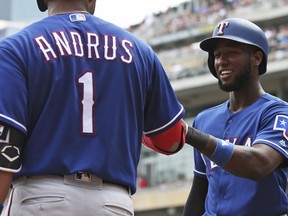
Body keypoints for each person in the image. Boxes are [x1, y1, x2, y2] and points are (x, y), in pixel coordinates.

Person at [0, 0, 187, 215]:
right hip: (113, 202)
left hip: (41, 198)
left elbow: (5, 150)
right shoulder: (140, 51)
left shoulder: (15, 47)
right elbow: (171, 140)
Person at [182, 18, 288, 216]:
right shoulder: (204, 120)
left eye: (231, 53)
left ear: (257, 58)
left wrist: (190, 135)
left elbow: (259, 164)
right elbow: (199, 192)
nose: (221, 61)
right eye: (217, 55)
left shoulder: (278, 112)